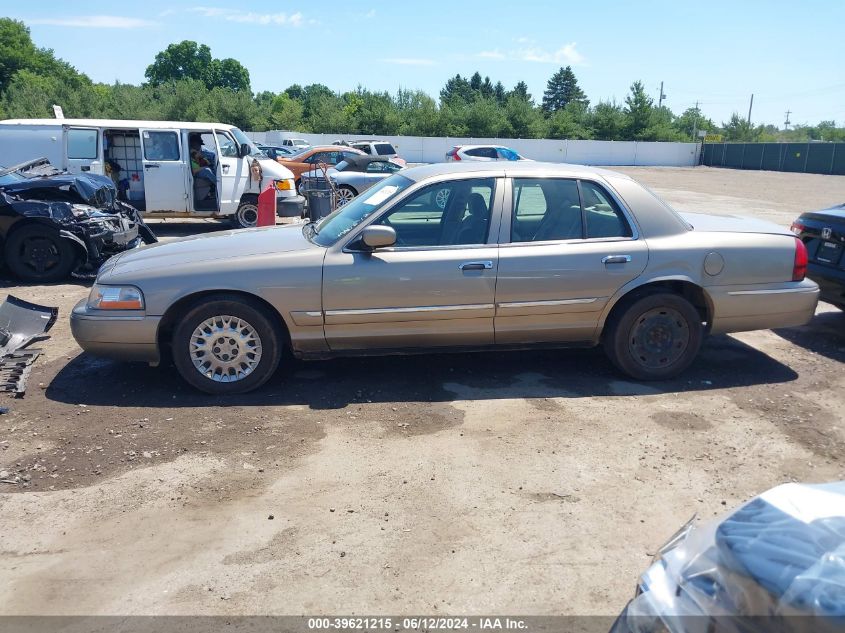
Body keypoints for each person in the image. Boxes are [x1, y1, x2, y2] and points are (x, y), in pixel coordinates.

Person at [189, 135, 216, 201]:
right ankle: (218, 185)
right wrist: (195, 154)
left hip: (201, 168)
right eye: (196, 144)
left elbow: (209, 163)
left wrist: (202, 158)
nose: (198, 146)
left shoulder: (204, 153)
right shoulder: (189, 153)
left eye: (199, 144)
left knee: (214, 170)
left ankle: (214, 187)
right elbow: (193, 171)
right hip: (196, 172)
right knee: (207, 170)